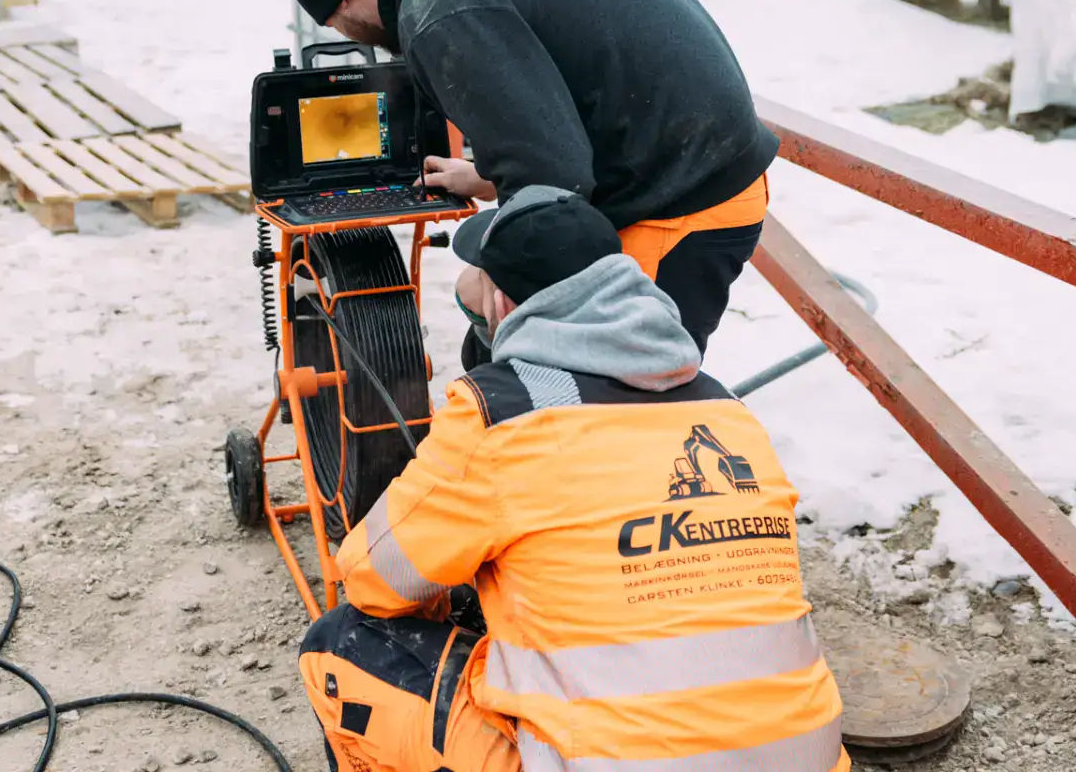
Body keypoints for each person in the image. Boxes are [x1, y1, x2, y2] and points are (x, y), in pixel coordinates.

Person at [297, 186, 848, 772]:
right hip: (808, 756)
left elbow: (373, 580)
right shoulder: (728, 412)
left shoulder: (501, 413)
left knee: (336, 646)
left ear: (504, 304)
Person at [278, 0, 774, 359]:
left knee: (622, 404)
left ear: (338, 4)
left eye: (339, 27)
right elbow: (568, 91)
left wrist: (505, 293)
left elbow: (552, 181)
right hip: (696, 158)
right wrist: (491, 175)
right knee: (494, 324)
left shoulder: (442, 3)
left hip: (682, 205)